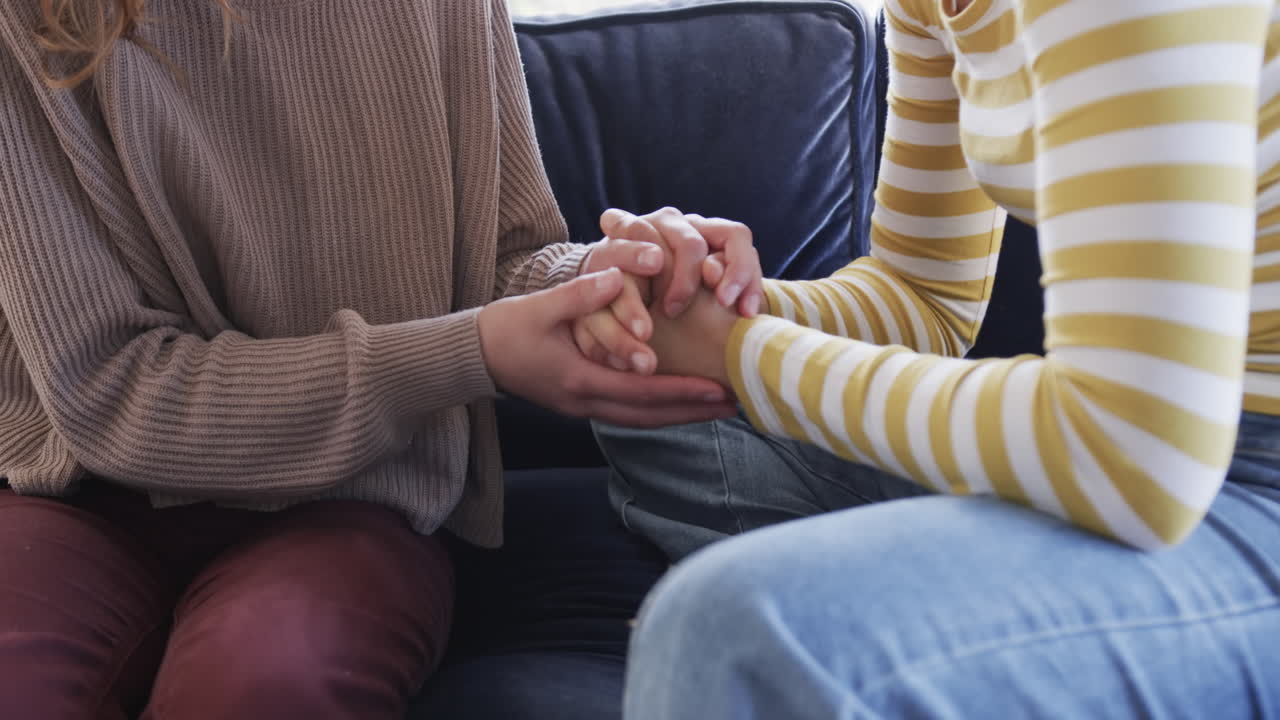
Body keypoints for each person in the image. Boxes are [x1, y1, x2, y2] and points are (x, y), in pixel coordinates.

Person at [0, 0, 763, 716]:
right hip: (82, 498)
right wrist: (471, 352)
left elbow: (505, 260)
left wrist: (608, 277)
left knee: (269, 685)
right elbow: (105, 388)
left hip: (359, 495)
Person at [594, 0, 1280, 716]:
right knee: (654, 390)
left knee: (725, 628)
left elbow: (1135, 453)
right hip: (1154, 449)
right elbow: (924, 297)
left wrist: (741, 354)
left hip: (1212, 475)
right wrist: (712, 307)